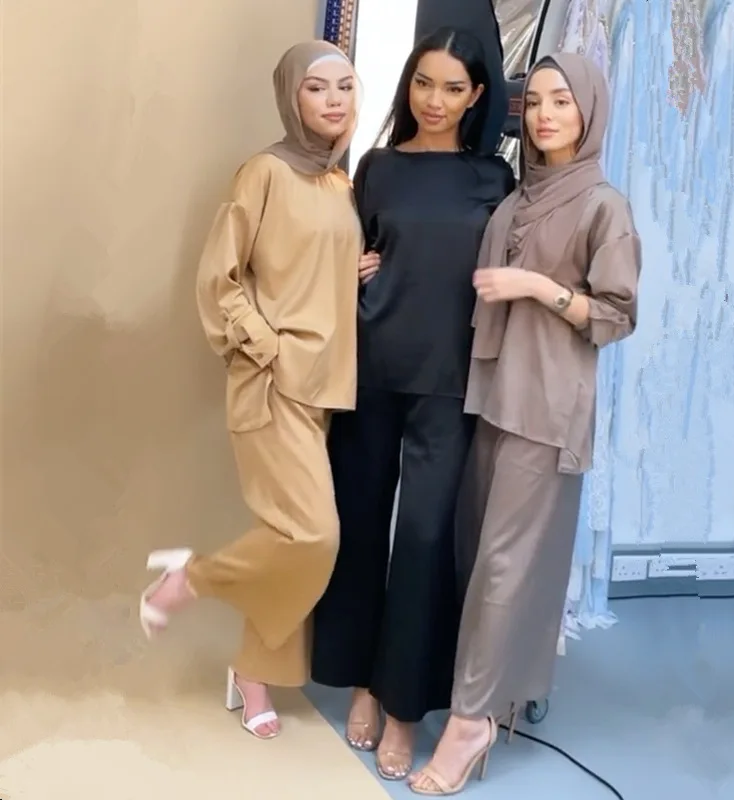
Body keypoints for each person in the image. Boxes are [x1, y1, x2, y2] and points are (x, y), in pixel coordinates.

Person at [409, 52, 642, 795]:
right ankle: (500, 692)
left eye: (561, 102)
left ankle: (470, 722)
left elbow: (616, 315)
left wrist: (539, 287)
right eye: (534, 101)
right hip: (492, 393)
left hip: (546, 406)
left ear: (589, 111)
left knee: (504, 568)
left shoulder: (603, 206)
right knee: (480, 555)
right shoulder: (519, 196)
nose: (544, 116)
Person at [137, 40, 362, 740]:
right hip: (272, 384)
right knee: (313, 536)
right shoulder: (265, 171)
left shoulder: (338, 182)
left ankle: (253, 672)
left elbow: (312, 265)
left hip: (326, 387)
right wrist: (269, 349)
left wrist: (357, 269)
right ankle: (191, 579)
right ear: (291, 97)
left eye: (345, 86)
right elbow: (220, 275)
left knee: (289, 541)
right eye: (317, 88)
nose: (334, 100)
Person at [311, 27, 515, 781]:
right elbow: (345, 253)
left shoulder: (494, 178)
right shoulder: (376, 167)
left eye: (453, 88)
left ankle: (404, 705)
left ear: (477, 96)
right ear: (408, 85)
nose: (435, 100)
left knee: (425, 540)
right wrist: (353, 269)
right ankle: (362, 681)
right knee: (361, 525)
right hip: (371, 367)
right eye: (424, 83)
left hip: (451, 377)